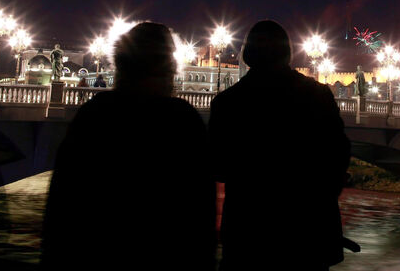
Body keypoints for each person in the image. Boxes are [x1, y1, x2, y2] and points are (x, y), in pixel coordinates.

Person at [42, 22, 215, 269]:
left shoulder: (94, 116)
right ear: (170, 66)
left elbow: (61, 213)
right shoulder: (182, 121)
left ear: (121, 63)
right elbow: (200, 220)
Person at [209, 20, 350, 271]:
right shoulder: (317, 96)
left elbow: (218, 168)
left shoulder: (228, 104)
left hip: (249, 238)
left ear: (247, 55)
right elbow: (338, 159)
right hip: (307, 237)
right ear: (288, 53)